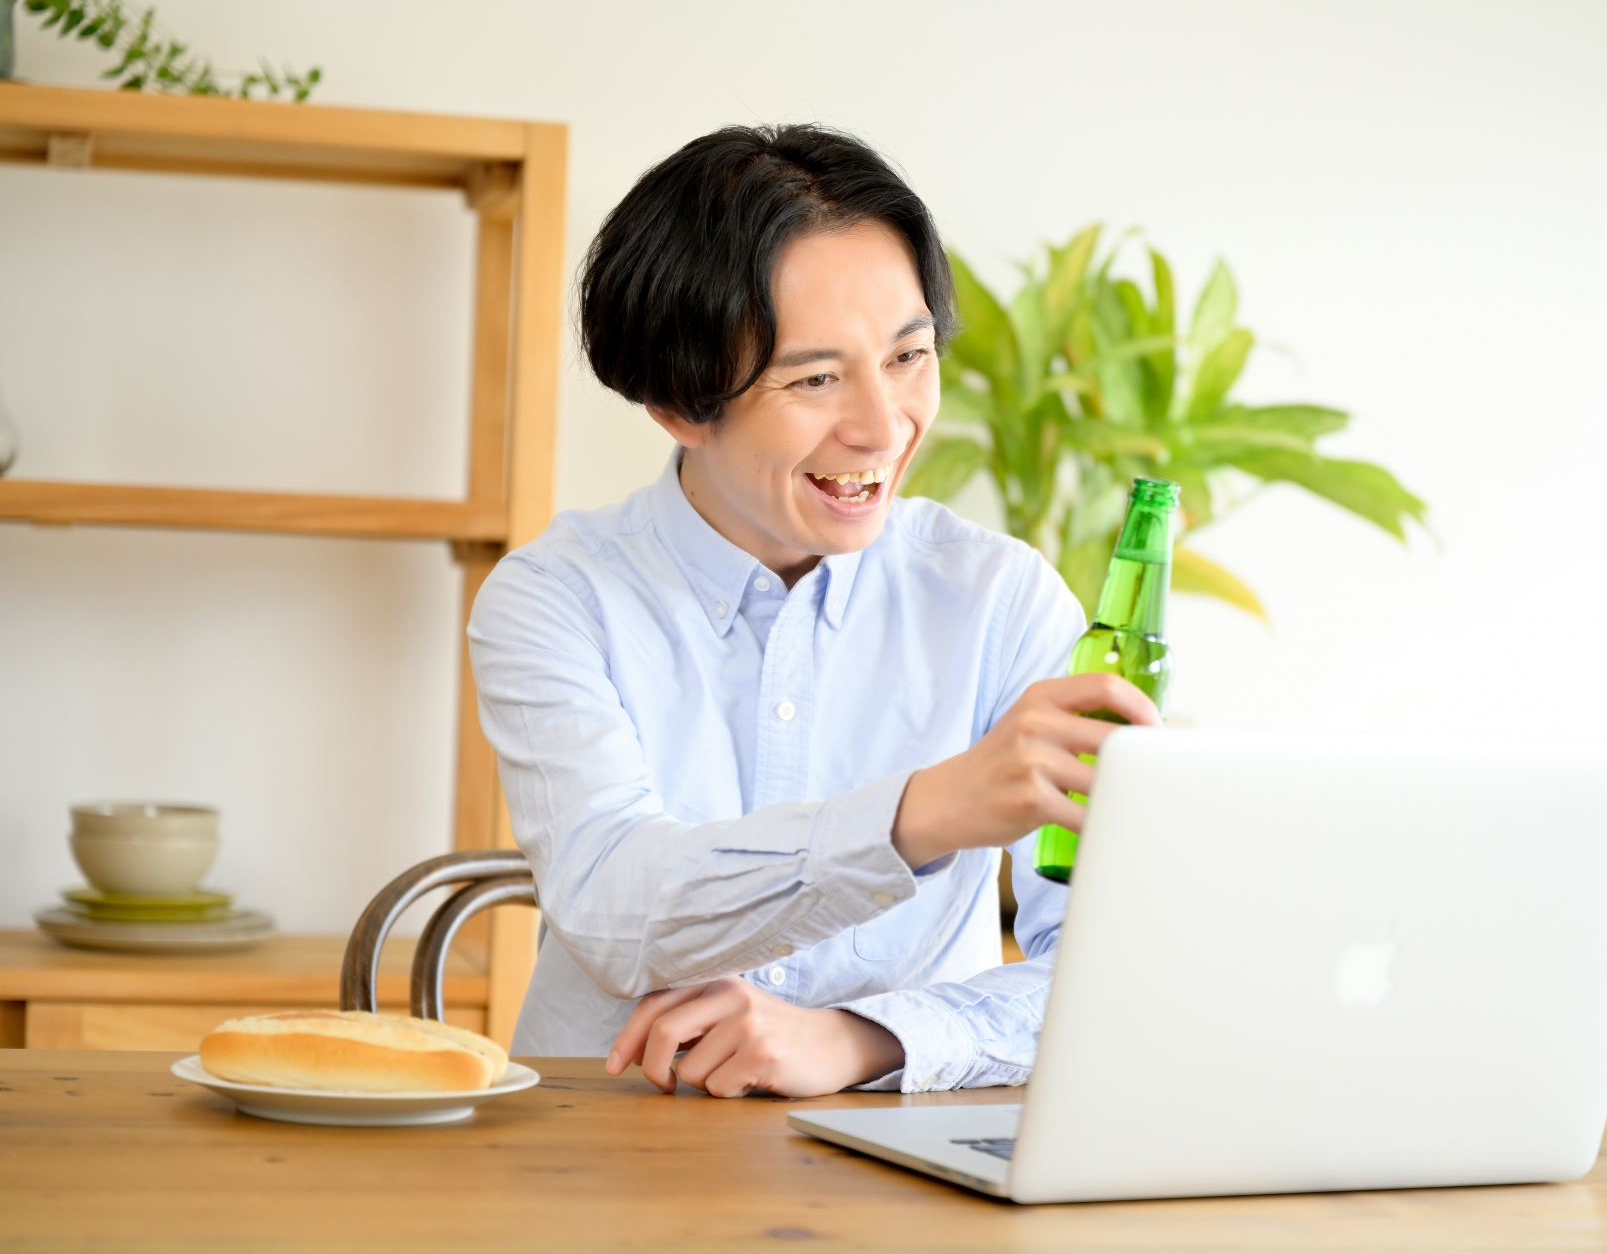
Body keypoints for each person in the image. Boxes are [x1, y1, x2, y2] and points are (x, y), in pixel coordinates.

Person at [467, 124, 1158, 1098]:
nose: (883, 426)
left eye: (909, 354)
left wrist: (865, 1038)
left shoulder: (1000, 600)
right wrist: (919, 814)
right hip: (608, 1133)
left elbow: (1116, 964)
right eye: (816, 378)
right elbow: (616, 907)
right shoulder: (558, 597)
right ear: (679, 401)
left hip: (899, 1153)